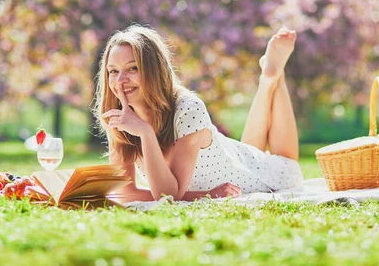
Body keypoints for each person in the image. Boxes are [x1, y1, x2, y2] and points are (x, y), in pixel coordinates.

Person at [95, 25, 303, 203]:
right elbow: (126, 192)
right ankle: (268, 78)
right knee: (247, 152)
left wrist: (146, 133)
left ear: (155, 71)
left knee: (288, 166)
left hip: (268, 175)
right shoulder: (123, 119)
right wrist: (204, 195)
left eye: (133, 68)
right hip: (236, 158)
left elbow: (167, 195)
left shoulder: (188, 109)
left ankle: (273, 77)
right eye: (113, 71)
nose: (120, 80)